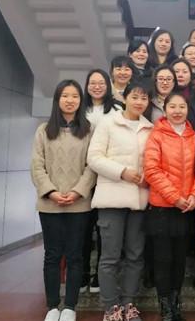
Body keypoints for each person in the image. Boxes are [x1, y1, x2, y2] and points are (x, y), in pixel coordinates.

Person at [86, 81, 153, 321]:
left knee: (135, 256)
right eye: (135, 97)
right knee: (110, 257)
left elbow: (153, 161)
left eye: (144, 98)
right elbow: (94, 158)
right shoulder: (108, 123)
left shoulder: (150, 128)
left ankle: (129, 304)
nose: (139, 102)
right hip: (112, 199)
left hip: (139, 200)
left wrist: (148, 176)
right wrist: (122, 172)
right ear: (125, 98)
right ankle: (111, 307)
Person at [30, 79, 96, 321]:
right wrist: (51, 192)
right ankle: (52, 307)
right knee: (52, 255)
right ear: (57, 100)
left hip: (79, 204)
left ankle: (70, 307)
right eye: (65, 96)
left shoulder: (89, 130)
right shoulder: (44, 130)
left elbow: (92, 166)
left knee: (76, 255)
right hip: (50, 204)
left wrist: (77, 191)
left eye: (75, 96)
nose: (70, 100)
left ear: (81, 101)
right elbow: (37, 165)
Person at [144, 93, 195, 321]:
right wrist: (175, 197)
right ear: (165, 109)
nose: (177, 111)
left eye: (181, 107)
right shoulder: (156, 135)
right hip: (162, 209)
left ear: (188, 110)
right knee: (163, 260)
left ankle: (176, 306)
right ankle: (165, 308)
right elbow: (152, 171)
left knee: (180, 260)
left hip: (186, 209)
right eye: (172, 107)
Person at [81, 69, 122, 295]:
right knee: (83, 227)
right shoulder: (80, 108)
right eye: (92, 83)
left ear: (108, 85)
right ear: (87, 85)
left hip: (107, 176)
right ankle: (83, 273)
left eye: (101, 83)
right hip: (81, 175)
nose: (97, 87)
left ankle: (99, 273)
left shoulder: (117, 109)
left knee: (104, 228)